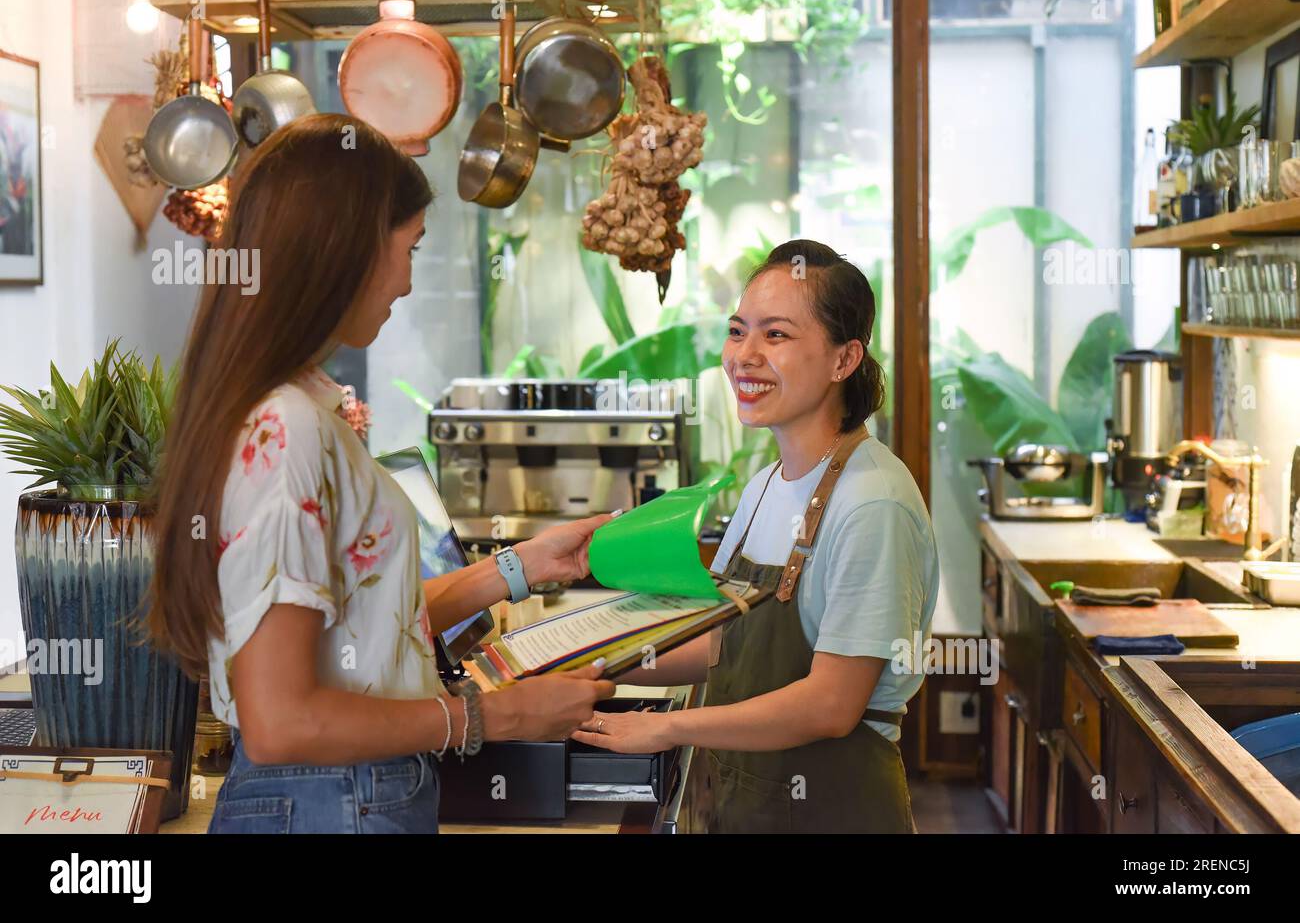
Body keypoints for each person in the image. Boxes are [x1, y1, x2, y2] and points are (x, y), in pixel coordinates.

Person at [148, 114, 614, 833]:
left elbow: (359, 629)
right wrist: (490, 715)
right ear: (347, 248)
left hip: (339, 796)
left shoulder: (291, 407)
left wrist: (518, 568)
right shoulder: (287, 429)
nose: (404, 279)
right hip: (333, 798)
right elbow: (281, 719)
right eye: (410, 248)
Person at [572, 240, 939, 833]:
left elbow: (831, 704)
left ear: (844, 359)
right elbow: (723, 645)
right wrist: (585, 666)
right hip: (753, 808)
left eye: (776, 336)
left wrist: (665, 726)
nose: (744, 356)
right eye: (738, 331)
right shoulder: (766, 486)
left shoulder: (873, 502)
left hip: (833, 812)